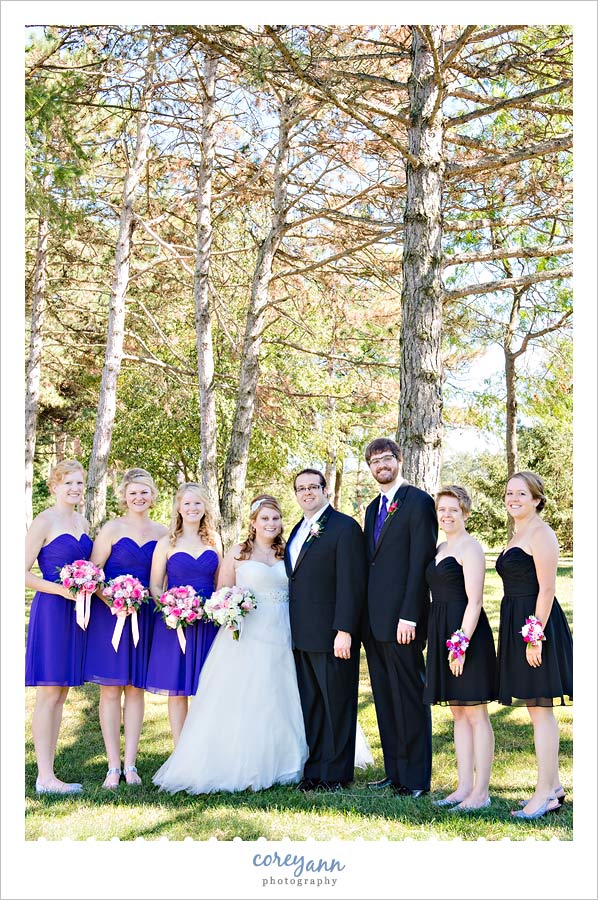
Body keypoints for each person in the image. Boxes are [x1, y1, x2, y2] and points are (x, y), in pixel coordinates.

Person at [153, 495, 309, 793]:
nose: (270, 523)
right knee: (247, 692)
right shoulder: (236, 552)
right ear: (253, 522)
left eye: (275, 518)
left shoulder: (287, 552)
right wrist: (229, 608)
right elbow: (222, 590)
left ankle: (287, 757)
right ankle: (242, 757)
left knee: (281, 690)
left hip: (283, 629)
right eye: (264, 518)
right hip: (246, 630)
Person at [363, 438, 438, 797]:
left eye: (387, 458)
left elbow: (420, 563)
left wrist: (410, 615)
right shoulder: (371, 508)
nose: (382, 465)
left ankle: (416, 778)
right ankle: (394, 771)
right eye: (375, 461)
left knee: (408, 696)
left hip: (404, 621)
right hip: (374, 622)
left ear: (400, 460)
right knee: (385, 697)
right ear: (370, 468)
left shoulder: (419, 503)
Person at [84, 468, 167, 788]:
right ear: (124, 496)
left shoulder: (163, 532)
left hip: (145, 616)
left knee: (136, 690)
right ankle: (112, 766)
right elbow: (93, 573)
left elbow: (162, 578)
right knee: (110, 690)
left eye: (144, 491)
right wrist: (113, 601)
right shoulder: (111, 529)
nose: (138, 497)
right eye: (133, 492)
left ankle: (131, 765)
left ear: (152, 495)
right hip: (111, 618)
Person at [496, 471, 572, 820]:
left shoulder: (542, 533)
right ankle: (554, 787)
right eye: (509, 493)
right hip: (516, 621)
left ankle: (544, 795)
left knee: (541, 712)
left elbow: (547, 589)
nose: (513, 499)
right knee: (534, 709)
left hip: (535, 626)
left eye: (521, 494)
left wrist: (534, 636)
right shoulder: (517, 533)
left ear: (537, 499)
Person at [286, 469, 367, 792]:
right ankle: (315, 769)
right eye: (300, 488)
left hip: (333, 635)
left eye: (312, 487)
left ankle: (336, 774)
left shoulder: (344, 527)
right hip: (303, 635)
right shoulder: (298, 528)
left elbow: (352, 584)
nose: (307, 493)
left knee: (337, 704)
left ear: (324, 491)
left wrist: (344, 630)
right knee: (314, 705)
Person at [424, 486, 496, 811]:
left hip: (465, 634)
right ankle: (463, 787)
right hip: (441, 630)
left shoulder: (471, 548)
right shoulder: (440, 547)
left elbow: (475, 601)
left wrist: (460, 644)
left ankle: (481, 792)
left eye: (453, 509)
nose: (447, 515)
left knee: (476, 713)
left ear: (465, 513)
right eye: (442, 509)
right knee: (457, 712)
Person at [25, 460, 91, 794]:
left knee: (61, 694)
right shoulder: (45, 520)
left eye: (80, 484)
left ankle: (48, 773)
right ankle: (44, 777)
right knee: (49, 693)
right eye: (69, 483)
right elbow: (20, 573)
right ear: (55, 486)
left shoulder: (81, 520)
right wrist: (61, 590)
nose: (75, 489)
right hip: (53, 610)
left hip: (77, 613)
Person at [146, 484, 220, 745]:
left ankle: (203, 748)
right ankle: (180, 750)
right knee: (177, 690)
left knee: (207, 688)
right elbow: (155, 585)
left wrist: (217, 609)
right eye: (187, 503)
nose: (192, 508)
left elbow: (220, 583)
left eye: (197, 503)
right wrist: (171, 607)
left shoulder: (214, 540)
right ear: (178, 507)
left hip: (208, 623)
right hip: (175, 623)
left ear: (205, 508)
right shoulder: (166, 542)